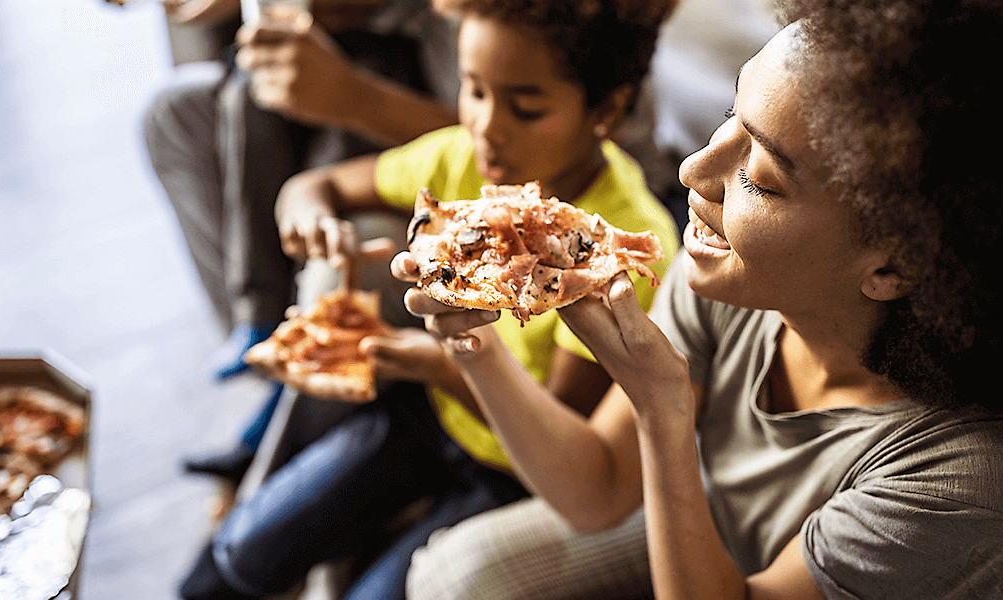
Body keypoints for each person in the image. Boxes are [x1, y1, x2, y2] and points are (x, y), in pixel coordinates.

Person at [396, 0, 1003, 598]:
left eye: (761, 175)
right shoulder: (729, 276)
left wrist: (662, 410)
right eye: (727, 115)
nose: (692, 169)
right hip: (717, 522)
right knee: (454, 572)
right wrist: (469, 343)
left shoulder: (955, 483)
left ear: (896, 264)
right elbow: (599, 490)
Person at [176, 0, 680, 597]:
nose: (487, 126)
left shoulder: (614, 256)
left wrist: (436, 358)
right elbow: (318, 185)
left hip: (517, 470)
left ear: (610, 108)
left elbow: (557, 423)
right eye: (473, 90)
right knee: (243, 550)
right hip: (432, 418)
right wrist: (311, 218)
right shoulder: (459, 158)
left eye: (526, 107)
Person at [142, 0, 461, 482]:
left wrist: (355, 99)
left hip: (429, 168)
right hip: (354, 124)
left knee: (348, 255)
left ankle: (277, 459)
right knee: (177, 110)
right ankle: (270, 343)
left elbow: (497, 141)